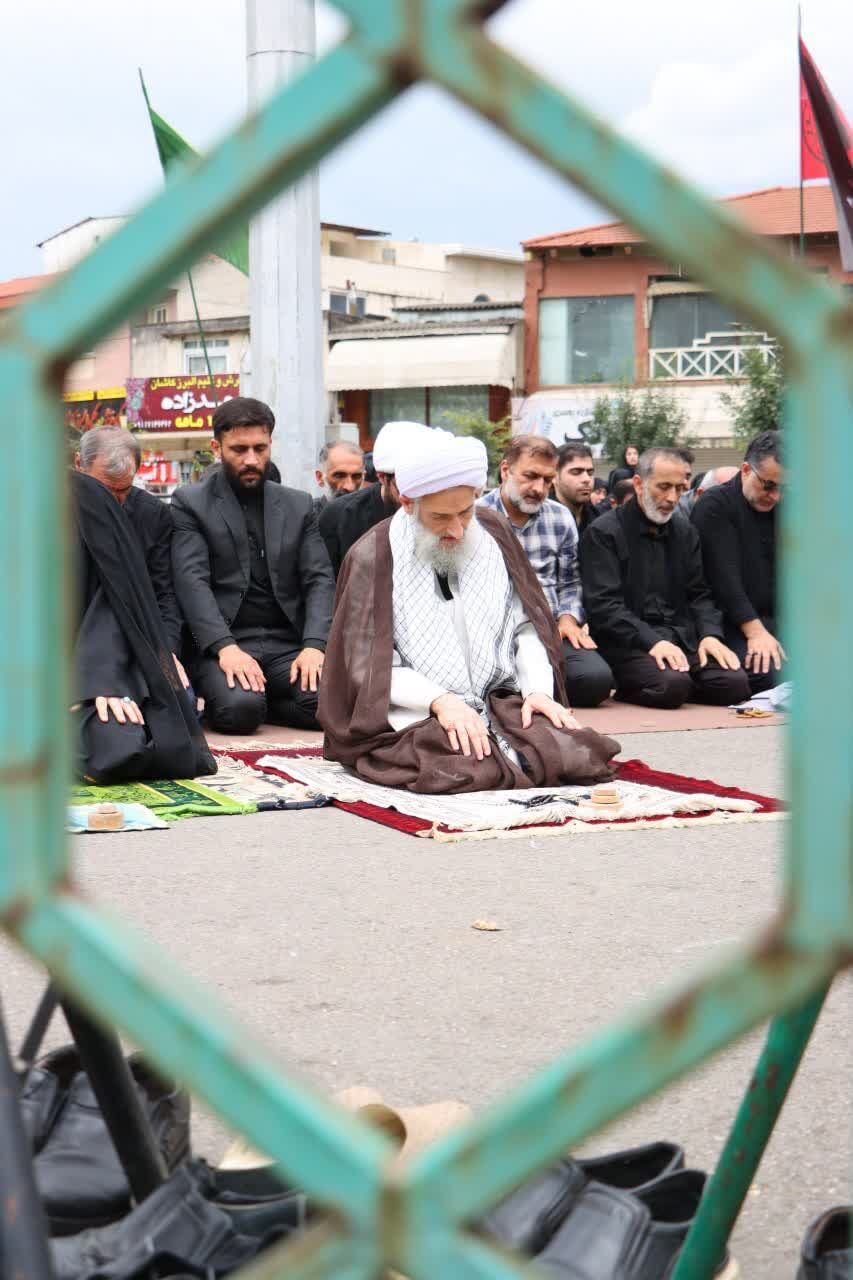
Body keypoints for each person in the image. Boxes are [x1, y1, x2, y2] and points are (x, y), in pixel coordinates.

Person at [319, 430, 619, 792]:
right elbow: (367, 662)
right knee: (462, 768)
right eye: (441, 517)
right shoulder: (374, 555)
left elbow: (526, 628)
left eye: (465, 512)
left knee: (577, 754)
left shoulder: (493, 533)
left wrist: (538, 691)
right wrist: (440, 702)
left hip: (500, 698)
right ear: (408, 503)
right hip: (416, 711)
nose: (457, 529)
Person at [170, 397, 335, 735]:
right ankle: (253, 700)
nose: (251, 459)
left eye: (260, 448)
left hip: (286, 646)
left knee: (330, 706)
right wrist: (225, 647)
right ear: (217, 447)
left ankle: (268, 701)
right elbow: (192, 582)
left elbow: (319, 579)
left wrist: (315, 645)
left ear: (270, 443)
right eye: (239, 449)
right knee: (241, 712)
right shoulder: (190, 503)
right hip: (224, 645)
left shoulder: (298, 504)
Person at [71, 471, 216, 783]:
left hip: (76, 668)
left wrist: (95, 682)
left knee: (118, 747)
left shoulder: (85, 497)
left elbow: (113, 601)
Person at [581, 447, 750, 709]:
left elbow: (700, 594)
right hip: (629, 644)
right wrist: (653, 641)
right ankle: (643, 685)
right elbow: (604, 606)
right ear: (638, 484)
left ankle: (681, 680)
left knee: (734, 684)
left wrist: (710, 636)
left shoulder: (685, 531)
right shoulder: (604, 533)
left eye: (679, 488)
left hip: (681, 639)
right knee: (672, 685)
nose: (672, 498)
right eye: (663, 487)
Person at [479, 436, 614, 708]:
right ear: (506, 470)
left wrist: (567, 619)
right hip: (490, 631)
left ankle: (523, 688)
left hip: (549, 629)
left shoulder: (560, 517)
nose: (539, 488)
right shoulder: (475, 517)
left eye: (547, 480)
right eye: (530, 476)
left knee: (595, 679)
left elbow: (571, 582)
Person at [76, 426, 187, 684]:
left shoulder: (152, 515)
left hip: (139, 642)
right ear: (79, 464)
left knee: (180, 705)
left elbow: (164, 592)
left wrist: (167, 651)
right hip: (75, 644)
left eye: (122, 491)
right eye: (103, 490)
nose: (113, 502)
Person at [692, 432, 784, 693]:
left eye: (783, 488)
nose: (774, 496)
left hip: (775, 618)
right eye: (768, 485)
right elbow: (723, 579)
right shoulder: (714, 506)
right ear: (746, 470)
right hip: (731, 622)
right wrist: (755, 632)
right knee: (770, 673)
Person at [318, 421, 427, 577]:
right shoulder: (340, 515)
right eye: (403, 488)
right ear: (382, 477)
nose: (412, 499)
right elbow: (327, 584)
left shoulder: (437, 508)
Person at [552, 442, 602, 535]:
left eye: (590, 473)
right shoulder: (540, 520)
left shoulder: (600, 519)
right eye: (576, 472)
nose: (587, 479)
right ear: (554, 476)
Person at [313, 440, 365, 515]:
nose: (349, 487)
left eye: (356, 476)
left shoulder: (374, 516)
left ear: (364, 476)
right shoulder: (306, 518)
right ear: (320, 477)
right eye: (339, 476)